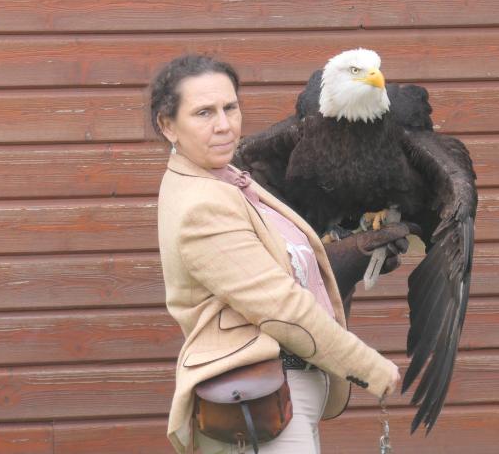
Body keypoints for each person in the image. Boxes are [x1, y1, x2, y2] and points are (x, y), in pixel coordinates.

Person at [152, 55, 416, 454]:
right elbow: (280, 307)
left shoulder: (226, 180)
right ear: (168, 125)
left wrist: (343, 262)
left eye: (230, 107)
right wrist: (367, 366)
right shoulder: (202, 204)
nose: (224, 125)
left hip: (282, 395)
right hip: (256, 403)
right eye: (204, 113)